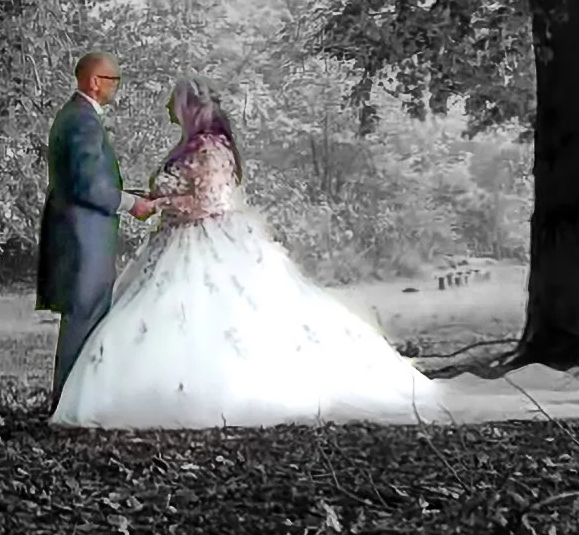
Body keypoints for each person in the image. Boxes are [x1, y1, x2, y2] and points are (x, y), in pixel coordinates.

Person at [51, 78, 449, 428]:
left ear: (191, 107)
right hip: (176, 240)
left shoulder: (211, 148)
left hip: (202, 240)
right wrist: (154, 199)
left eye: (176, 106)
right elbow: (183, 190)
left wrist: (158, 206)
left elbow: (209, 201)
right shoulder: (194, 145)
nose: (172, 113)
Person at [37, 52, 157, 402]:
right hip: (82, 239)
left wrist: (131, 194)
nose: (116, 88)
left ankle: (76, 400)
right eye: (113, 80)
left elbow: (88, 180)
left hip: (79, 234)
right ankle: (70, 404)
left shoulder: (76, 117)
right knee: (83, 317)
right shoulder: (83, 122)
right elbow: (89, 187)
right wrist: (133, 204)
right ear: (94, 81)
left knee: (85, 317)